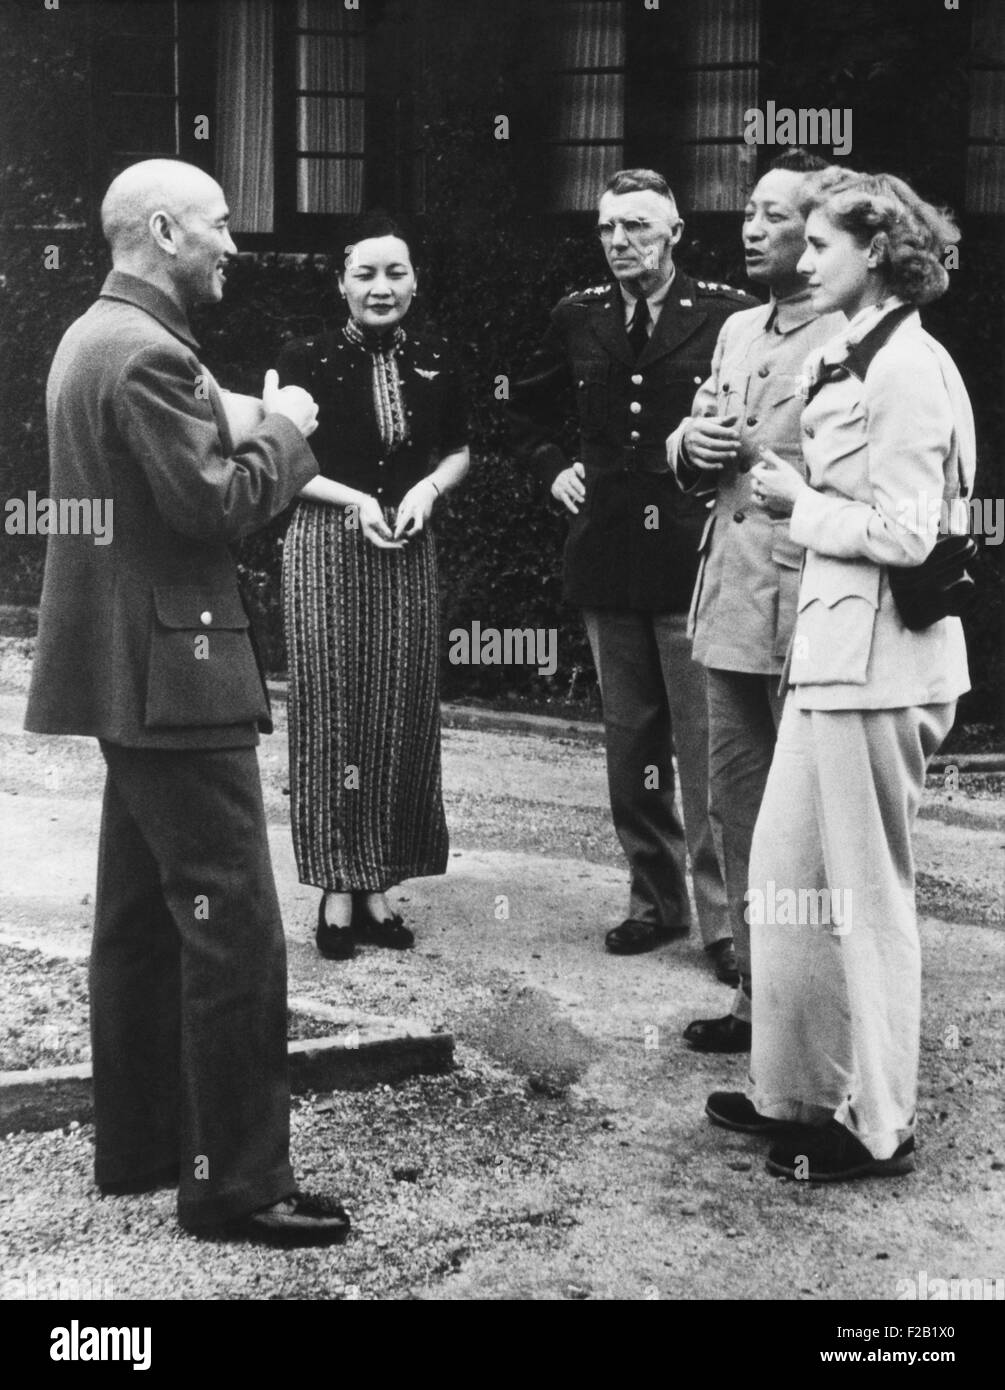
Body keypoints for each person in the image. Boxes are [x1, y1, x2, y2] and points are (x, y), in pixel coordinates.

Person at [24, 159, 351, 1245]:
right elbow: (215, 508)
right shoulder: (152, 355)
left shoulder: (92, 337)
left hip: (128, 674)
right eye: (218, 227)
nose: (232, 245)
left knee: (140, 922)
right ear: (164, 231)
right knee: (234, 930)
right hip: (179, 673)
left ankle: (148, 1145)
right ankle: (237, 1185)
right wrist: (290, 429)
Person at [706, 169, 974, 1180]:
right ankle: (801, 1092)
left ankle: (880, 1125)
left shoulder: (909, 367)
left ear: (878, 250)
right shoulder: (850, 353)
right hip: (834, 656)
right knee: (784, 879)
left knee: (865, 897)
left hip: (883, 667)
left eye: (822, 243)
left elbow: (912, 531)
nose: (803, 259)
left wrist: (796, 504)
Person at [510, 169, 755, 977]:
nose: (621, 242)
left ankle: (723, 925)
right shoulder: (576, 317)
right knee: (631, 744)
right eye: (609, 228)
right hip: (608, 556)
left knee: (705, 744)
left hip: (691, 559)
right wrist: (552, 468)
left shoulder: (723, 315)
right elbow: (529, 407)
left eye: (638, 227)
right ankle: (654, 903)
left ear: (675, 231)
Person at [667, 151, 845, 1053]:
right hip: (731, 594)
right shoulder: (738, 329)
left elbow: (854, 478)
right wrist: (687, 442)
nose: (749, 227)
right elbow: (700, 427)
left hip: (806, 605)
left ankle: (809, 1017)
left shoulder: (850, 339)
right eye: (748, 211)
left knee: (803, 821)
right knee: (735, 803)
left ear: (817, 239)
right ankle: (752, 996)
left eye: (775, 217)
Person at [276, 214, 469, 961]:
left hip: (407, 545)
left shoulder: (438, 358)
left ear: (414, 281)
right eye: (366, 273)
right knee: (332, 708)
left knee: (398, 706)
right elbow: (284, 457)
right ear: (342, 283)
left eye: (395, 273)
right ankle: (334, 886)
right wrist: (355, 501)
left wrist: (426, 489)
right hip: (327, 542)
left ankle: (381, 882)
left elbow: (457, 452)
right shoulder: (305, 355)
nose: (381, 287)